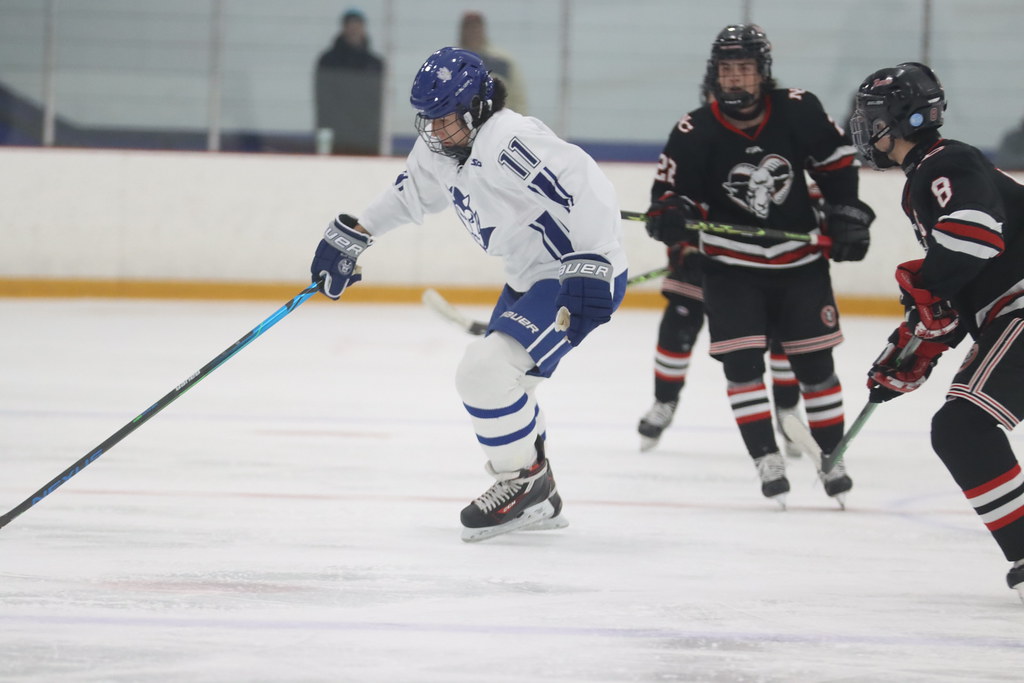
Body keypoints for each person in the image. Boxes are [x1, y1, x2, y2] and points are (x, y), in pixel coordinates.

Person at [309, 47, 628, 542]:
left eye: (446, 119)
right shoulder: (442, 147)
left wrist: (591, 261)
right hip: (527, 279)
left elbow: (587, 185)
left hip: (571, 276)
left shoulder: (508, 141)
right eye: (429, 120)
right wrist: (358, 231)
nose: (436, 131)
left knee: (483, 373)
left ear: (478, 107)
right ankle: (539, 492)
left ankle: (524, 484)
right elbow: (410, 193)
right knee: (510, 387)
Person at [641, 24, 874, 507]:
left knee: (816, 367)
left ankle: (832, 457)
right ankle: (766, 458)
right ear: (715, 74)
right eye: (727, 70)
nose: (735, 79)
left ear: (762, 72)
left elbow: (836, 166)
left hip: (800, 265)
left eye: (745, 69)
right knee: (742, 366)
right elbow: (672, 193)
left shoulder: (798, 109)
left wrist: (845, 212)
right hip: (730, 269)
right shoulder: (694, 129)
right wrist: (671, 214)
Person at [851, 62, 1024, 599]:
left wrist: (925, 284)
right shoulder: (931, 173)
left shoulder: (945, 163)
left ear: (900, 118)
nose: (865, 128)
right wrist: (915, 348)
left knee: (962, 429)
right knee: (961, 428)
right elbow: (959, 282)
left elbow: (974, 238)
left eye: (872, 117)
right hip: (1007, 311)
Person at [314, 8, 384, 155]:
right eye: (350, 26)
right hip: (337, 137)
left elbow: (380, 102)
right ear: (344, 28)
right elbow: (324, 100)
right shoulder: (328, 61)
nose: (354, 30)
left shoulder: (374, 64)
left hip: (367, 138)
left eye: (357, 26)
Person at [457, 11, 527, 114]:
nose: (472, 31)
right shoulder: (452, 61)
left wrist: (519, 120)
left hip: (499, 119)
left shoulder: (502, 61)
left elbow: (518, 99)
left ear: (482, 29)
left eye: (476, 27)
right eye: (468, 27)